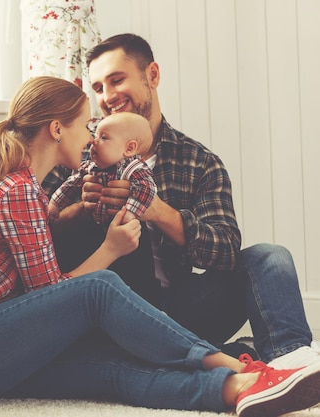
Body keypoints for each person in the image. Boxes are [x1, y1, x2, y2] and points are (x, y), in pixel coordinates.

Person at [0, 75, 320, 416]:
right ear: (56, 129)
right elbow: (52, 291)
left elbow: (227, 249)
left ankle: (237, 387)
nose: (90, 137)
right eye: (86, 124)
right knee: (100, 285)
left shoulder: (30, 186)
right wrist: (109, 246)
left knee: (113, 371)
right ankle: (228, 361)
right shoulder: (19, 188)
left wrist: (151, 214)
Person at [45, 33, 320, 369]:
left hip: (181, 307)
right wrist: (84, 211)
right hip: (111, 312)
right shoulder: (79, 154)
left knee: (271, 258)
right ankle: (193, 356)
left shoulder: (199, 161)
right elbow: (40, 236)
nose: (108, 96)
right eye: (99, 87)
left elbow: (225, 250)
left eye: (117, 80)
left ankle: (291, 362)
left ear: (153, 76)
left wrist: (156, 210)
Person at [49, 112, 156, 226]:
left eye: (103, 137)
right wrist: (55, 203)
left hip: (125, 228)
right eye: (95, 136)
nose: (94, 141)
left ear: (129, 148)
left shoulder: (134, 169)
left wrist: (130, 212)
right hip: (95, 228)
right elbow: (71, 184)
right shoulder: (90, 166)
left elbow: (147, 189)